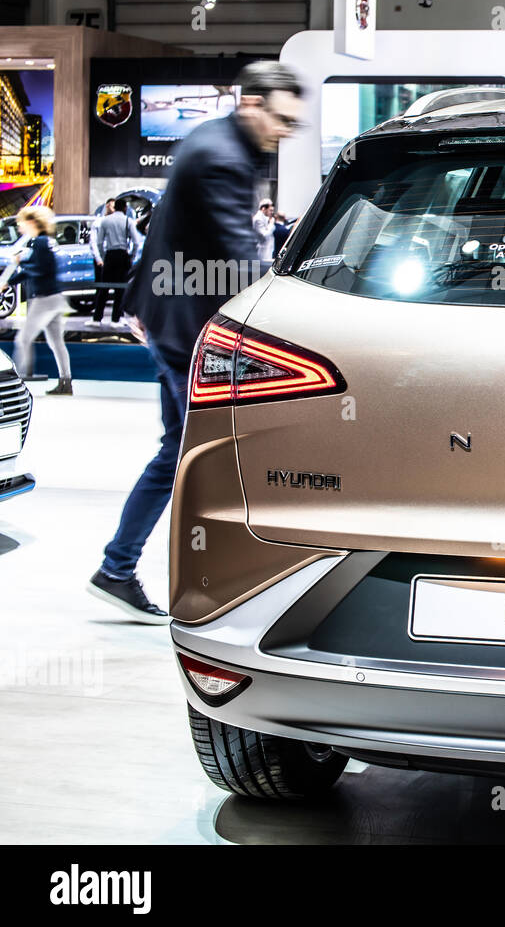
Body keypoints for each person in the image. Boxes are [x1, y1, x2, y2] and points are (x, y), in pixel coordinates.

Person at [87, 61, 304, 624]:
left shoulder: (213, 140)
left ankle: (119, 567)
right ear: (253, 104)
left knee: (179, 452)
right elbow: (235, 256)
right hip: (187, 330)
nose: (285, 132)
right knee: (200, 456)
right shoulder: (222, 158)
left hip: (170, 319)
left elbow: (171, 229)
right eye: (281, 119)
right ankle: (178, 575)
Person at [8, 205, 73, 396]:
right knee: (56, 342)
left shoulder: (41, 243)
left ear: (32, 222)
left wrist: (21, 263)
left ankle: (16, 386)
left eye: (22, 223)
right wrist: (13, 280)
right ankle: (66, 382)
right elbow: (35, 269)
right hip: (55, 298)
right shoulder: (44, 242)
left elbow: (38, 269)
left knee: (23, 339)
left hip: (45, 300)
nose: (20, 228)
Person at [89, 195, 143, 325]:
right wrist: (132, 255)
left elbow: (100, 242)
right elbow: (136, 242)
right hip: (123, 255)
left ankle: (97, 318)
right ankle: (115, 319)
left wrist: (102, 256)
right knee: (120, 289)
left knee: (104, 288)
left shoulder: (105, 221)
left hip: (109, 255)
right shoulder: (128, 221)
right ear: (124, 208)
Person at [253, 198, 275, 263]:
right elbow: (265, 235)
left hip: (267, 249)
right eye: (270, 210)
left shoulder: (264, 217)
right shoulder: (258, 219)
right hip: (263, 251)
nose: (272, 212)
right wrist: (271, 224)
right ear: (263, 208)